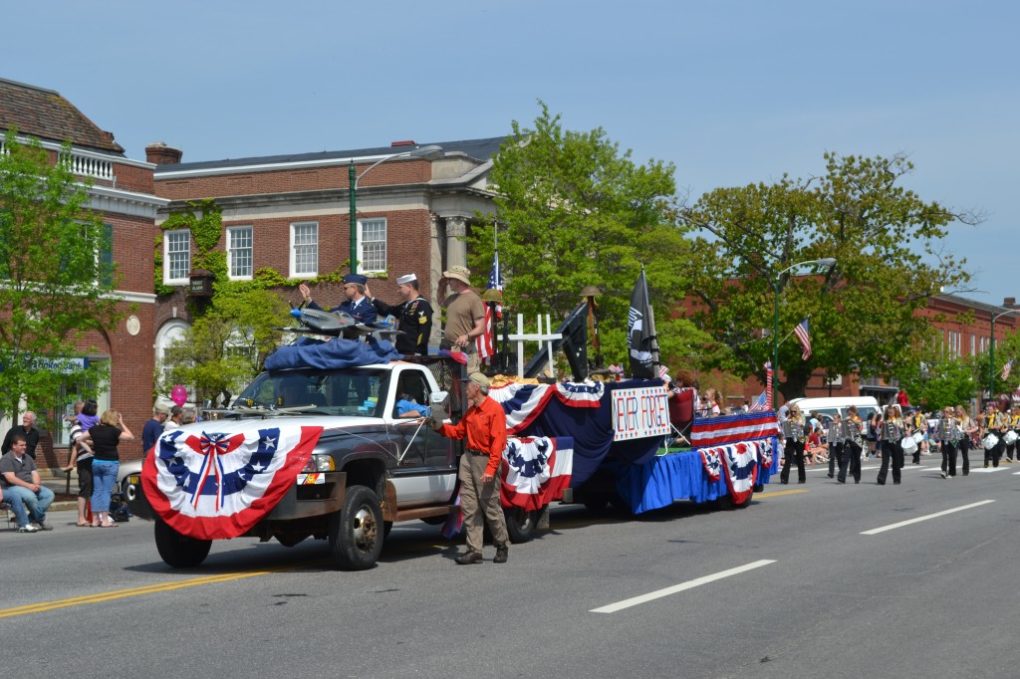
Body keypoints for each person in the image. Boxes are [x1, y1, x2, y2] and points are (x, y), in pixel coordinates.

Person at [431, 372, 510, 565]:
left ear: (477, 388)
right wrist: (439, 426)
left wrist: (491, 469)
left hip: (485, 461)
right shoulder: (471, 411)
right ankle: (474, 550)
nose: (466, 389)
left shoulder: (494, 410)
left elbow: (498, 443)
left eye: (468, 385)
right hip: (468, 459)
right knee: (469, 506)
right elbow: (459, 432)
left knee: (490, 506)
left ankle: (501, 544)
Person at [83, 409, 134, 528]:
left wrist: (90, 448)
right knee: (106, 492)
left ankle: (95, 520)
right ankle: (105, 520)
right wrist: (122, 423)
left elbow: (79, 439)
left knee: (96, 491)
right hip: (110, 463)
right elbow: (130, 436)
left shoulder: (94, 430)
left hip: (97, 462)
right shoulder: (114, 431)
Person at [365, 273, 434, 355]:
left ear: (409, 287)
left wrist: (419, 351)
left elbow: (424, 331)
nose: (398, 291)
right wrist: (372, 299)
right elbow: (389, 311)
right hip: (401, 350)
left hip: (414, 352)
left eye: (400, 287)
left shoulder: (422, 305)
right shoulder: (406, 305)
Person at [0, 434, 55, 532]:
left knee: (49, 495)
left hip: (29, 485)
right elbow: (11, 479)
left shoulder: (27, 457)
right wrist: (29, 486)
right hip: (12, 487)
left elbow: (35, 473)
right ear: (14, 446)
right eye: (21, 445)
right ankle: (41, 519)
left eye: (25, 445)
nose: (24, 447)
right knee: (30, 497)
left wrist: (36, 484)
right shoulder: (6, 459)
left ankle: (30, 519)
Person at [438, 265, 486, 374]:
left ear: (459, 281)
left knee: (467, 385)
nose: (448, 282)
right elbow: (440, 302)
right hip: (449, 348)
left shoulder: (473, 299)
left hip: (465, 351)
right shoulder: (452, 298)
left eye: (450, 279)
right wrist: (440, 287)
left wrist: (466, 336)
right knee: (452, 385)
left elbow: (481, 327)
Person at [299, 274, 378, 326]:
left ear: (354, 288)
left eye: (345, 288)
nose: (344, 291)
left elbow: (366, 331)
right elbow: (324, 314)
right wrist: (308, 298)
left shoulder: (369, 308)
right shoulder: (344, 306)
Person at [62, 415, 95, 527]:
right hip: (84, 461)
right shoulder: (76, 428)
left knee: (92, 490)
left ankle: (90, 517)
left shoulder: (89, 427)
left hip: (93, 460)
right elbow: (79, 441)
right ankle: (81, 518)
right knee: (85, 489)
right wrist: (96, 441)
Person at [877, 404, 904, 485]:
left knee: (896, 461)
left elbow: (902, 428)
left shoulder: (898, 419)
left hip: (896, 441)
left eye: (891, 412)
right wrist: (879, 426)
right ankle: (881, 479)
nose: (890, 414)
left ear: (894, 412)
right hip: (886, 442)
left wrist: (896, 422)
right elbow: (878, 431)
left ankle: (896, 479)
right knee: (885, 461)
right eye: (888, 413)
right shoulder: (884, 420)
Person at [780, 405, 807, 484]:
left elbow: (802, 424)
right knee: (788, 458)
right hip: (790, 438)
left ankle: (802, 478)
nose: (793, 413)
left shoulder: (801, 416)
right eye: (791, 411)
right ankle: (784, 478)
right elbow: (783, 423)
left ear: (797, 411)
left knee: (800, 459)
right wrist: (788, 419)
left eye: (794, 411)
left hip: (800, 438)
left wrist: (794, 421)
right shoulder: (789, 417)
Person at [839, 405, 864, 484]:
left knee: (857, 460)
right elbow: (842, 431)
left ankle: (857, 477)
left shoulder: (858, 419)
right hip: (848, 440)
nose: (849, 415)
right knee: (845, 459)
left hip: (857, 440)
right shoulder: (846, 420)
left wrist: (853, 421)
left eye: (851, 413)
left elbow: (860, 429)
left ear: (854, 412)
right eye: (848, 413)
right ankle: (841, 477)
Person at [937, 406, 962, 479]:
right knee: (945, 457)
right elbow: (939, 430)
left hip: (953, 439)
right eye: (944, 412)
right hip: (944, 440)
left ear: (950, 413)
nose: (945, 413)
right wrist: (939, 441)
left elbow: (960, 422)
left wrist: (952, 417)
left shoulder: (953, 419)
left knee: (952, 456)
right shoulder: (941, 420)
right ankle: (944, 471)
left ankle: (952, 472)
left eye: (947, 412)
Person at [957, 404, 975, 476]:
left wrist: (969, 431)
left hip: (964, 437)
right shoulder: (956, 418)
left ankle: (965, 470)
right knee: (953, 454)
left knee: (964, 455)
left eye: (958, 412)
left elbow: (974, 427)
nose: (957, 413)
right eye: (956, 412)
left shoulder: (967, 418)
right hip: (957, 437)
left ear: (962, 411)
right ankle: (952, 470)